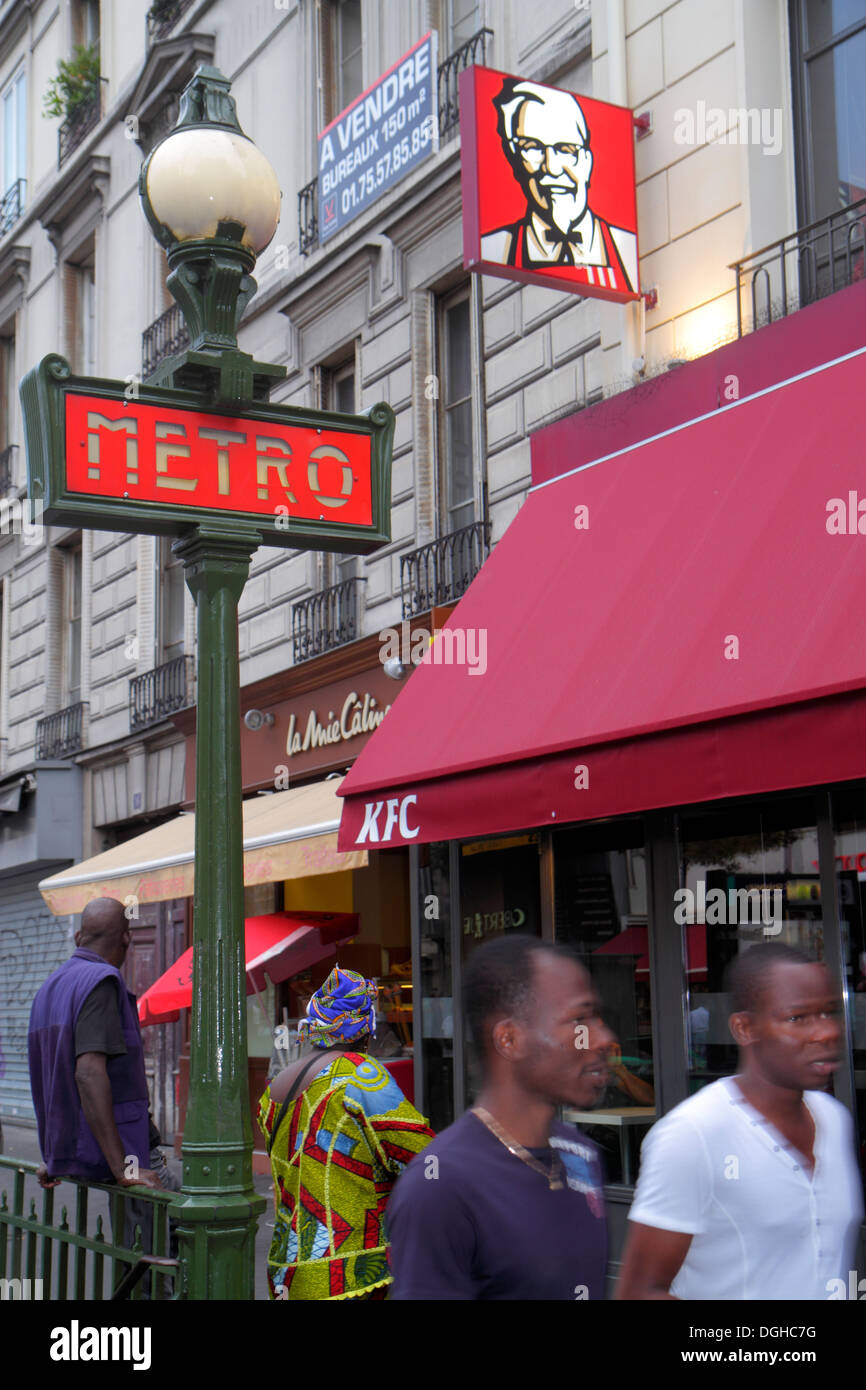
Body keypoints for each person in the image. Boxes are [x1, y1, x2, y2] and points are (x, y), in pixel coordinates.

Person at [616, 943, 864, 1300]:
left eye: (829, 1012)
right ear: (745, 1028)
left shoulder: (833, 1119)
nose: (825, 1032)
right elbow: (639, 1293)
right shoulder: (692, 1134)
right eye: (798, 1018)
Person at [386, 934, 615, 1300]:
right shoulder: (440, 1189)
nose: (602, 1038)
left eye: (598, 1017)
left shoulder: (582, 1155)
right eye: (579, 1019)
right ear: (509, 1039)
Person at [257, 964, 434, 1300]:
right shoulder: (359, 1075)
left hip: (286, 1271)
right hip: (351, 1273)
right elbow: (423, 1154)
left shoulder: (274, 1089)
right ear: (364, 1029)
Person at [28, 897, 168, 1192]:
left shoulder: (49, 987)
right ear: (126, 939)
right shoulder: (102, 980)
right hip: (125, 1150)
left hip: (84, 1149)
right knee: (179, 1224)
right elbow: (87, 1074)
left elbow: (57, 1073)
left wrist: (55, 1157)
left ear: (80, 938)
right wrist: (124, 1168)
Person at [481, 78, 639, 293]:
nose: (552, 167)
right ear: (516, 161)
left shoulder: (628, 251)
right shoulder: (496, 249)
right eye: (533, 148)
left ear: (587, 161)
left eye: (566, 150)